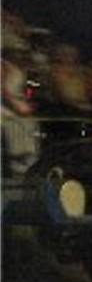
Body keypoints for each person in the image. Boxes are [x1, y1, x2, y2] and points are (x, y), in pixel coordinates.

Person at [1, 29, 39, 178]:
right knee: (14, 121)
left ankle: (28, 160)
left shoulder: (21, 69)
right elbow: (3, 90)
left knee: (30, 122)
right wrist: (15, 105)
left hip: (17, 101)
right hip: (4, 103)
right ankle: (15, 158)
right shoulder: (3, 66)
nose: (19, 55)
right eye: (16, 51)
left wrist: (27, 100)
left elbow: (27, 90)